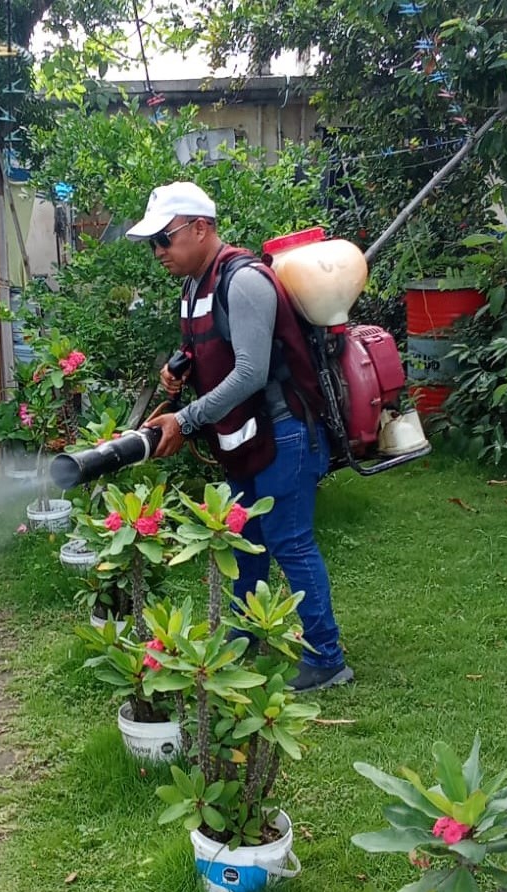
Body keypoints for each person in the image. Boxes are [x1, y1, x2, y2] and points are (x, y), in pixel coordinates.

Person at [128, 181, 353, 693]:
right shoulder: (194, 288)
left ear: (200, 228)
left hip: (287, 432)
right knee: (243, 537)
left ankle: (328, 658)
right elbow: (212, 351)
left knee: (289, 541)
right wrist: (179, 369)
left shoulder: (244, 281)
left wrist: (184, 421)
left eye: (164, 239)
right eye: (152, 244)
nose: (158, 252)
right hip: (245, 438)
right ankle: (245, 635)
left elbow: (251, 373)